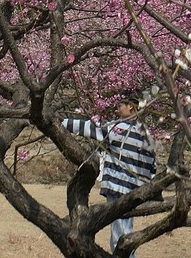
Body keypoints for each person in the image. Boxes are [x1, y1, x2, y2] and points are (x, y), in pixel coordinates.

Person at [62, 95, 157, 258]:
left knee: (120, 235)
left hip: (118, 188)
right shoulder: (146, 133)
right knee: (125, 230)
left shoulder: (117, 128)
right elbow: (151, 165)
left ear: (131, 107)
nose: (117, 108)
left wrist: (61, 123)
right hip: (134, 191)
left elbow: (89, 128)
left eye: (121, 104)